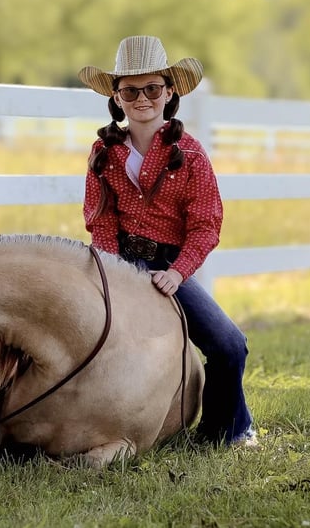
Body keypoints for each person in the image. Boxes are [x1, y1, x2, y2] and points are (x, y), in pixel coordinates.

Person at [78, 35, 257, 447]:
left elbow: (206, 226)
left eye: (153, 89)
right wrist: (110, 274)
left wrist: (178, 273)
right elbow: (101, 220)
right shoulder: (104, 153)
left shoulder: (190, 154)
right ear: (117, 98)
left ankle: (221, 432)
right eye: (130, 90)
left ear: (169, 92)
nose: (142, 99)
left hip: (168, 268)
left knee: (230, 345)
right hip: (119, 263)